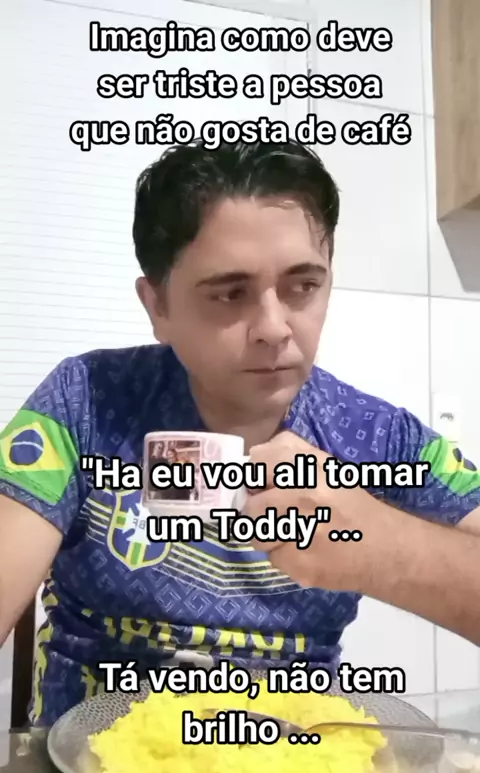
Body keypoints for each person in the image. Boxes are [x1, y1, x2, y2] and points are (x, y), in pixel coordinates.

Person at [1, 139, 480, 729]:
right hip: (85, 766)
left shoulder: (375, 438)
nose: (275, 328)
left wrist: (384, 546)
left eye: (303, 286)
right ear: (157, 307)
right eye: (231, 293)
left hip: (291, 767)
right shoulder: (87, 400)